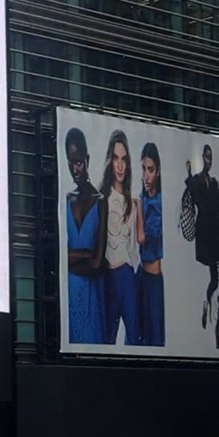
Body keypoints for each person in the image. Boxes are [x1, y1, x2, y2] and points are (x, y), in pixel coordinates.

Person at [185, 144, 219, 349]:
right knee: (215, 278)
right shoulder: (197, 181)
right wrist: (188, 174)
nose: (208, 161)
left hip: (218, 233)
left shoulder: (214, 183)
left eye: (210, 158)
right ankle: (207, 301)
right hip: (208, 235)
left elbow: (217, 206)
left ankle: (218, 328)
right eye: (206, 157)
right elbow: (196, 200)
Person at [63, 128, 106, 345]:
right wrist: (84, 253)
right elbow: (60, 258)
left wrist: (69, 259)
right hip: (70, 297)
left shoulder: (100, 201)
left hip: (92, 298)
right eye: (70, 163)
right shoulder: (66, 200)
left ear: (87, 160)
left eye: (79, 162)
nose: (75, 169)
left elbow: (97, 263)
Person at [99, 130, 139, 346]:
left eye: (124, 159)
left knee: (133, 337)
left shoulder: (132, 203)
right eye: (116, 158)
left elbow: (134, 246)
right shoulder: (102, 198)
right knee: (107, 338)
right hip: (109, 276)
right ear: (110, 161)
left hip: (127, 274)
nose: (120, 166)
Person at [135, 142, 166, 347]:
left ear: (158, 171)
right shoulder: (143, 198)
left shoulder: (159, 204)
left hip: (154, 280)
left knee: (154, 339)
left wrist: (138, 208)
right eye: (143, 169)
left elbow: (142, 238)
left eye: (151, 170)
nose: (146, 176)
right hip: (140, 274)